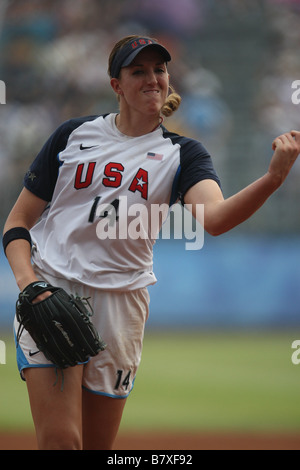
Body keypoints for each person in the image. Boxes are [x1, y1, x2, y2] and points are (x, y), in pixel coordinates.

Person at [2, 34, 300, 450]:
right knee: (60, 442)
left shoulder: (183, 154)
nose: (152, 79)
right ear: (116, 85)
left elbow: (214, 219)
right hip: (51, 291)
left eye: (159, 70)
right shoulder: (73, 135)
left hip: (122, 306)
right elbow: (17, 223)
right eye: (138, 71)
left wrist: (273, 180)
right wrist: (29, 285)